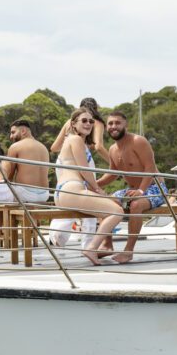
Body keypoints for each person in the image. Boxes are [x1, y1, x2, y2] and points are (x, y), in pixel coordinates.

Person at [53, 108, 124, 265]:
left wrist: (99, 193)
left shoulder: (73, 141)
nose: (88, 124)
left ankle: (100, 246)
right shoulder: (76, 140)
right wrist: (99, 190)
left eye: (91, 121)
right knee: (117, 211)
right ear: (73, 124)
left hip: (65, 192)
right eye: (84, 120)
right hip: (72, 190)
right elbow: (84, 170)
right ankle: (91, 248)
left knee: (110, 208)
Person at [97, 111, 168, 263]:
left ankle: (128, 251)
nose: (113, 126)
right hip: (132, 189)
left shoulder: (138, 141)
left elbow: (150, 168)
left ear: (125, 125)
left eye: (117, 123)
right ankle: (107, 245)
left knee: (136, 204)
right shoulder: (112, 149)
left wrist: (141, 191)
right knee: (105, 203)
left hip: (155, 187)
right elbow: (112, 174)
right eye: (110, 123)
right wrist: (92, 184)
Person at [49, 98, 109, 248]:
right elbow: (100, 146)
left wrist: (69, 147)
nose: (88, 123)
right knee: (88, 199)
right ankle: (88, 244)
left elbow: (54, 147)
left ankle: (58, 236)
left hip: (63, 163)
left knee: (69, 200)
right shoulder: (96, 121)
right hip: (82, 160)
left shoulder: (70, 122)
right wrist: (114, 163)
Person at [4, 119, 50, 203]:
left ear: (23, 131)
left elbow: (8, 177)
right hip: (44, 194)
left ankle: (3, 216)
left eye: (13, 132)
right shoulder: (44, 148)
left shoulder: (15, 147)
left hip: (24, 194)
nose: (11, 136)